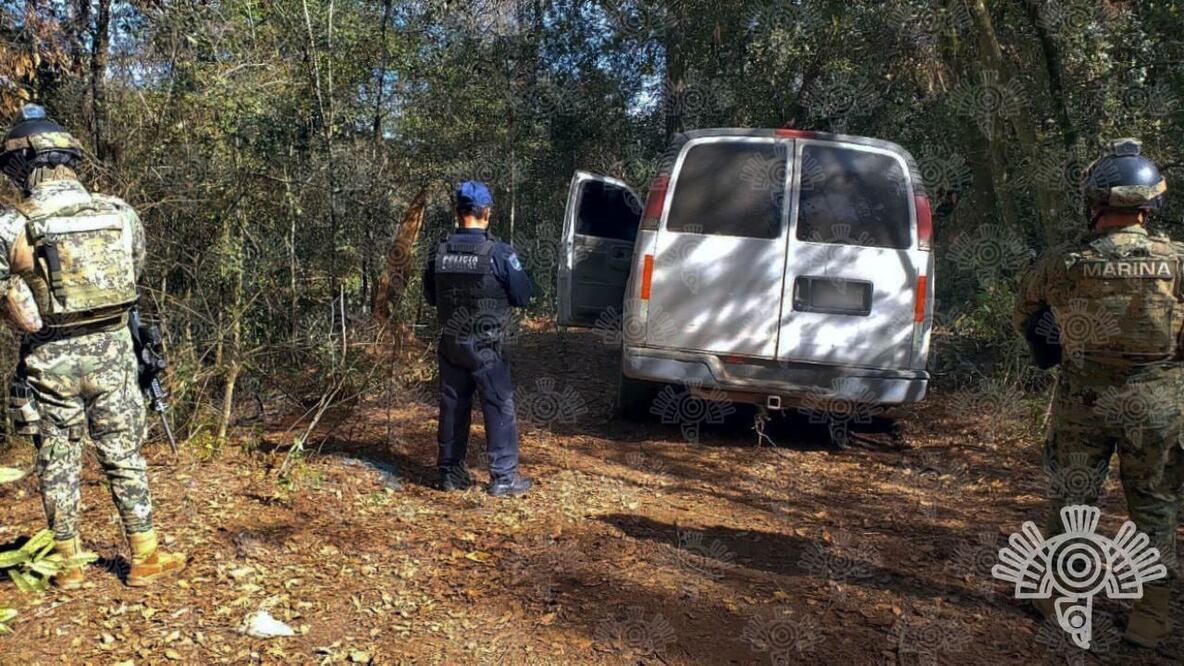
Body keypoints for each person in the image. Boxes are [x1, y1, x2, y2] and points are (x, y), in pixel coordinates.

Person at [0, 104, 185, 588]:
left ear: (21, 167)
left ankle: (66, 566)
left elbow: (7, 297)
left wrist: (27, 308)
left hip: (47, 357)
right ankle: (145, 556)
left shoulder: (10, 224)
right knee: (123, 453)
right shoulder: (119, 212)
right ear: (70, 160)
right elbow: (133, 272)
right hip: (113, 352)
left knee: (58, 457)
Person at [1014, 138, 1182, 648]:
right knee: (1154, 505)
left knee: (1073, 498)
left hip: (1082, 400)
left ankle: (1062, 598)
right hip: (1158, 403)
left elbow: (1027, 317)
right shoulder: (1178, 262)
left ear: (1093, 202)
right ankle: (1150, 618)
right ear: (1150, 204)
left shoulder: (1062, 262)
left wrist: (1060, 348)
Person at [424, 181, 533, 497]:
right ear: (486, 212)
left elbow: (431, 297)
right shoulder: (499, 253)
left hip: (451, 343)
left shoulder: (438, 252)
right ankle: (503, 478)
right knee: (498, 405)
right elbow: (522, 295)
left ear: (457, 211)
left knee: (452, 405)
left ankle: (450, 473)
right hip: (487, 346)